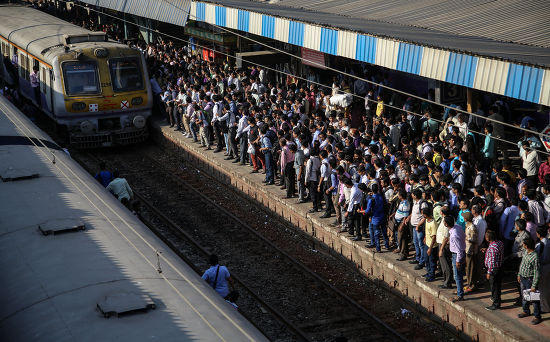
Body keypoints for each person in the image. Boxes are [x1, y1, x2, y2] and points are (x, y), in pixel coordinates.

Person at [517, 237, 542, 325]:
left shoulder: (535, 256)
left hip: (530, 280)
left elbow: (537, 272)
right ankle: (526, 311)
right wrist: (519, 274)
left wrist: (534, 285)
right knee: (525, 296)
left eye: (523, 244)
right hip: (523, 278)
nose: (522, 245)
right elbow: (522, 264)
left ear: (526, 245)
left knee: (534, 299)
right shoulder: (525, 252)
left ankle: (537, 316)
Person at [446, 215, 466, 302]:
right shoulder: (457, 227)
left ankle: (460, 295)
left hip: (457, 255)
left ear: (446, 224)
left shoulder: (454, 235)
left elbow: (459, 250)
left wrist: (458, 260)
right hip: (460, 253)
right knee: (459, 275)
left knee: (457, 275)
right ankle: (459, 290)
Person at [484, 230, 504, 310]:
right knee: (497, 286)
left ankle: (495, 303)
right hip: (499, 267)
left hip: (494, 270)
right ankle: (497, 299)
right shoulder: (499, 243)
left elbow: (492, 261)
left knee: (494, 287)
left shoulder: (492, 248)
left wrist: (489, 272)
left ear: (488, 238)